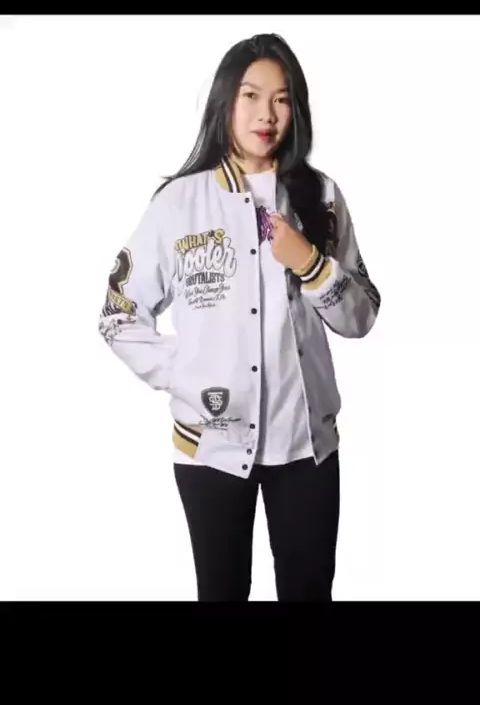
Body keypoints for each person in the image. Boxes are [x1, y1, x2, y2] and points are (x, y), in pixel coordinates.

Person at [98, 32, 381, 602]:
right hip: (211, 445)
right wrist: (188, 373)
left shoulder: (322, 196)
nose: (266, 114)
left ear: (297, 109)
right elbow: (117, 314)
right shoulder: (179, 204)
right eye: (251, 96)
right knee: (222, 593)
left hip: (306, 446)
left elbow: (361, 316)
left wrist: (311, 264)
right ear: (225, 101)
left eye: (281, 99)